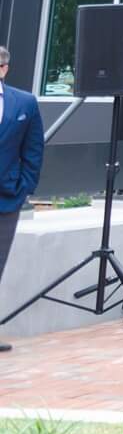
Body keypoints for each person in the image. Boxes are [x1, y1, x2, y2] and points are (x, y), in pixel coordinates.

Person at [0, 45, 46, 354]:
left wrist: (23, 188)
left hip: (6, 199)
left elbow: (33, 150)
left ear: (3, 68)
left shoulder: (25, 103)